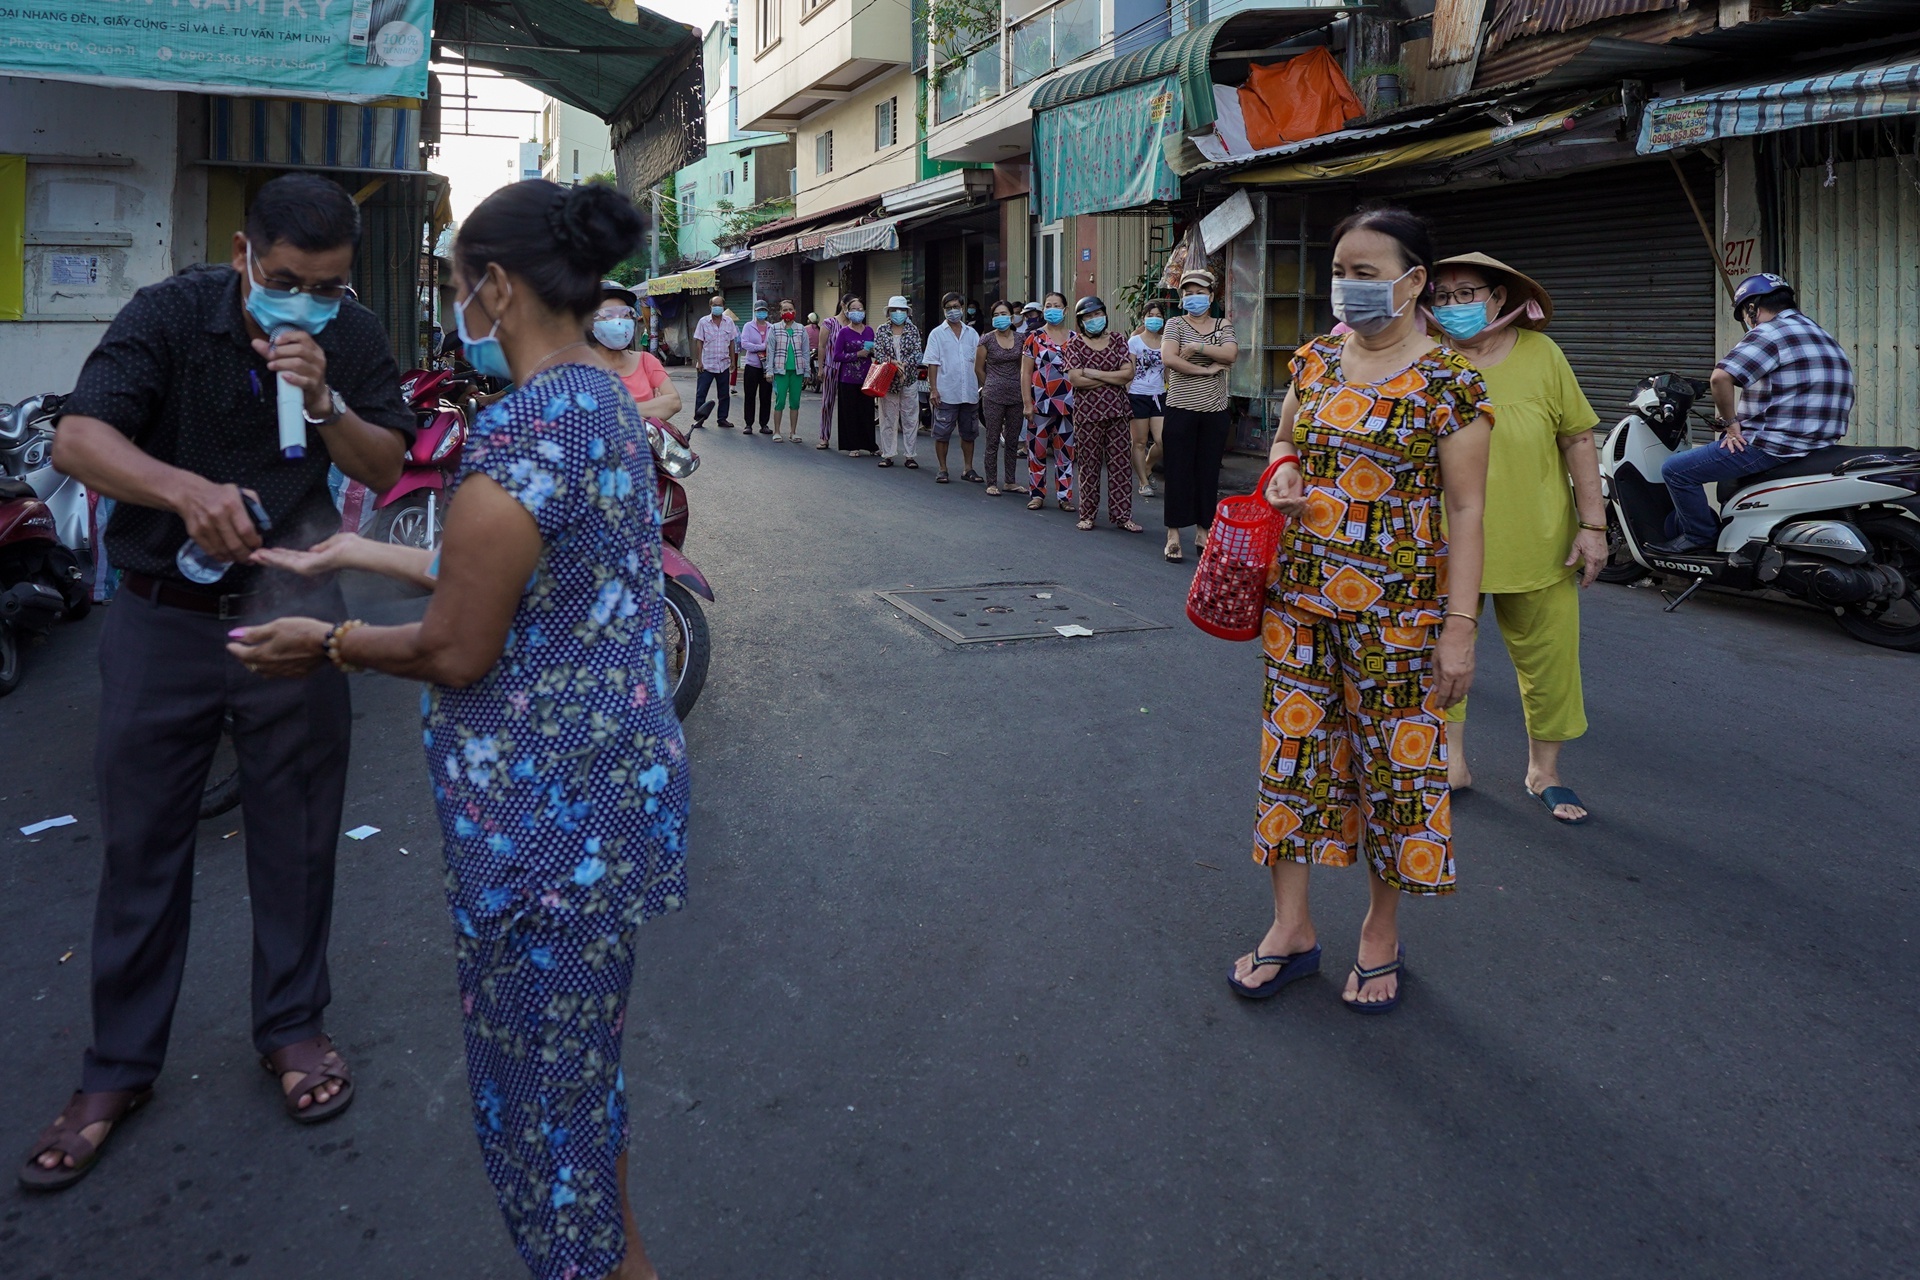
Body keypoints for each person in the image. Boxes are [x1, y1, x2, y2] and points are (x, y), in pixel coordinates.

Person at [229, 179, 689, 1280]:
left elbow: (456, 644)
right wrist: (358, 555)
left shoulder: (526, 426)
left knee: (544, 1117)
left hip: (540, 832)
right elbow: (535, 571)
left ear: (494, 286)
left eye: (456, 289)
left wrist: (327, 642)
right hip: (608, 809)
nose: (456, 316)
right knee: (580, 1084)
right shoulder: (604, 401)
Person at [23, 173, 413, 1191]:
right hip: (164, 615)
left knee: (297, 828)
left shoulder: (353, 337)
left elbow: (381, 461)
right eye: (285, 279)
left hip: (293, 607)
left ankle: (292, 1026)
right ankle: (117, 1068)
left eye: (327, 286)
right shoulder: (170, 314)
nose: (305, 302)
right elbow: (78, 436)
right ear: (244, 254)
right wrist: (182, 487)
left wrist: (324, 397)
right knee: (144, 840)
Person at [1230, 205, 1492, 1015]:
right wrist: (1280, 471)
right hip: (1299, 605)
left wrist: (1459, 632)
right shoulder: (1313, 360)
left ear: (1414, 283)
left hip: (1401, 620)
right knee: (1294, 760)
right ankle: (1292, 927)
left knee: (1395, 774)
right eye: (1340, 271)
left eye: (1366, 274)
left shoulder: (1452, 383)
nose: (1347, 288)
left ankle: (1380, 934)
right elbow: (1283, 442)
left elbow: (1469, 512)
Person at [1429, 253, 1605, 824]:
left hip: (1538, 539)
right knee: (1442, 655)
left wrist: (1594, 525)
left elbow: (1578, 439)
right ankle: (1450, 760)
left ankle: (1544, 771)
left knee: (1550, 660)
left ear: (1499, 298)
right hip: (1443, 542)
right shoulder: (1425, 360)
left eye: (1466, 293)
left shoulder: (1542, 356)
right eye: (1442, 295)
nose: (1453, 306)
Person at [1649, 271, 1854, 554]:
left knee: (1676, 470)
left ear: (1752, 307)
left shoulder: (1770, 332)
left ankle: (1699, 537)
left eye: (1746, 313)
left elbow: (1720, 378)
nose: (1748, 320)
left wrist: (1732, 425)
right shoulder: (1821, 334)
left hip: (1776, 446)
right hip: (1818, 446)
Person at [1160, 268, 1239, 563]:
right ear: (1181, 298)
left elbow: (1231, 354)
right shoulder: (1175, 324)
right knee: (1178, 472)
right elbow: (1170, 358)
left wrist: (1196, 347)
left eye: (1200, 292)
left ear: (1211, 295)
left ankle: (1204, 532)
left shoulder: (1222, 324)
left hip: (1214, 410)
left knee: (1207, 473)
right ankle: (1173, 535)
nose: (1194, 298)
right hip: (1180, 408)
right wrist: (1206, 367)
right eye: (1188, 293)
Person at [1062, 295, 1140, 532]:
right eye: (1088, 316)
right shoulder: (1074, 344)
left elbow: (1128, 374)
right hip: (1088, 415)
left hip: (1118, 412)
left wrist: (1092, 373)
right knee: (1089, 465)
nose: (1094, 319)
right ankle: (1087, 514)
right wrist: (1111, 378)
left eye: (1098, 314)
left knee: (1121, 466)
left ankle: (1122, 515)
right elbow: (1075, 379)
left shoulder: (1117, 339)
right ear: (1080, 321)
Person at [589, 280, 681, 421]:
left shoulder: (646, 361)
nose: (619, 321)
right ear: (590, 323)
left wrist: (615, 411)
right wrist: (651, 407)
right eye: (608, 315)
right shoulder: (580, 368)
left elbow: (673, 402)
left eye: (625, 314)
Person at [1021, 290, 1075, 512]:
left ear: (1065, 310)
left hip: (1069, 403)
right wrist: (1026, 402)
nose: (1052, 309)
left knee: (1066, 452)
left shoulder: (1075, 339)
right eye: (1048, 305)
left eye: (1056, 305)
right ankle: (1037, 494)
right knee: (1037, 450)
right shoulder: (1034, 337)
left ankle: (1065, 496)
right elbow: (1025, 372)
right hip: (1040, 402)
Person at [924, 289, 983, 484]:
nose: (953, 311)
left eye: (956, 307)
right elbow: (932, 363)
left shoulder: (972, 333)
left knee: (969, 433)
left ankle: (968, 468)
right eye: (948, 308)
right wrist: (933, 389)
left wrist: (984, 384)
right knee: (942, 434)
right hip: (946, 392)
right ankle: (942, 469)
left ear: (962, 308)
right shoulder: (937, 334)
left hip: (969, 392)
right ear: (943, 311)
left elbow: (979, 362)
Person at [977, 299, 1028, 496]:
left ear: (1012, 316)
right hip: (993, 396)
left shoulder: (1022, 338)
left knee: (1013, 440)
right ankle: (991, 482)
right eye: (996, 315)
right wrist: (989, 384)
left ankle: (1010, 481)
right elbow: (978, 368)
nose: (1000, 318)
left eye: (1004, 314)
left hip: (1016, 395)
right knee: (992, 439)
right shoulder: (986, 340)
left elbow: (1026, 367)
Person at [873, 294, 923, 468]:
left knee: (910, 418)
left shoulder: (913, 330)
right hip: (888, 380)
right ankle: (888, 454)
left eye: (901, 310)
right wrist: (893, 364)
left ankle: (910, 455)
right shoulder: (881, 330)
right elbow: (878, 353)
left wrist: (904, 366)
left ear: (907, 312)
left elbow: (917, 353)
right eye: (894, 310)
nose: (898, 313)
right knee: (887, 417)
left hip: (908, 379)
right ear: (889, 312)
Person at [1128, 302, 1168, 497]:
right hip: (1137, 395)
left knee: (1163, 440)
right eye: (1150, 314)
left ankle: (1147, 466)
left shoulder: (1166, 341)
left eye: (1158, 315)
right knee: (1140, 441)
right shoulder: (1134, 342)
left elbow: (1168, 371)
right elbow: (1129, 372)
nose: (1154, 318)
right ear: (1143, 318)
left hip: (1159, 395)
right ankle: (1143, 482)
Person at [832, 296, 878, 456]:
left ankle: (871, 445)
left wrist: (872, 352)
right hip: (848, 378)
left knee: (867, 412)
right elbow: (837, 356)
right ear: (847, 311)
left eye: (860, 309)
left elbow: (876, 352)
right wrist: (856, 354)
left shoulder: (870, 330)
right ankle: (853, 445)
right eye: (854, 309)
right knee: (849, 412)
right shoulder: (844, 332)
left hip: (867, 378)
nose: (857, 312)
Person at [691, 291, 738, 429]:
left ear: (723, 307)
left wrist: (733, 361)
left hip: (723, 364)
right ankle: (699, 419)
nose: (717, 307)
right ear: (710, 306)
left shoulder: (728, 322)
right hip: (706, 364)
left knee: (724, 394)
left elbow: (732, 342)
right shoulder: (703, 322)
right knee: (701, 393)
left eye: (720, 305)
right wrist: (699, 361)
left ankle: (722, 419)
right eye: (714, 305)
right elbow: (699, 342)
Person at [766, 296, 809, 442]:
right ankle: (777, 431)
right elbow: (770, 351)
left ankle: (793, 432)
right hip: (780, 371)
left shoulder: (801, 329)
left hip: (797, 371)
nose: (788, 312)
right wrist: (769, 370)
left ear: (795, 311)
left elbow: (805, 352)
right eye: (785, 310)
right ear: (780, 313)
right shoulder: (774, 328)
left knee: (795, 402)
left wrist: (807, 371)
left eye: (790, 309)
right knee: (780, 401)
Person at [738, 298, 774, 435]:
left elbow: (774, 344)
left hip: (767, 367)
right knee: (750, 395)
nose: (761, 313)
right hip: (752, 366)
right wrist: (761, 347)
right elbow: (744, 344)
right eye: (759, 311)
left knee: (765, 396)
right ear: (755, 312)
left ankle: (764, 424)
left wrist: (765, 348)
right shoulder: (748, 326)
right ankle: (748, 424)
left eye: (764, 311)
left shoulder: (772, 327)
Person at [817, 299, 845, 449]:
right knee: (827, 402)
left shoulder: (856, 325)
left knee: (848, 406)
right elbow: (822, 346)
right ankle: (824, 437)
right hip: (831, 367)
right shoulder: (829, 323)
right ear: (843, 304)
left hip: (849, 371)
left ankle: (849, 441)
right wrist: (821, 368)